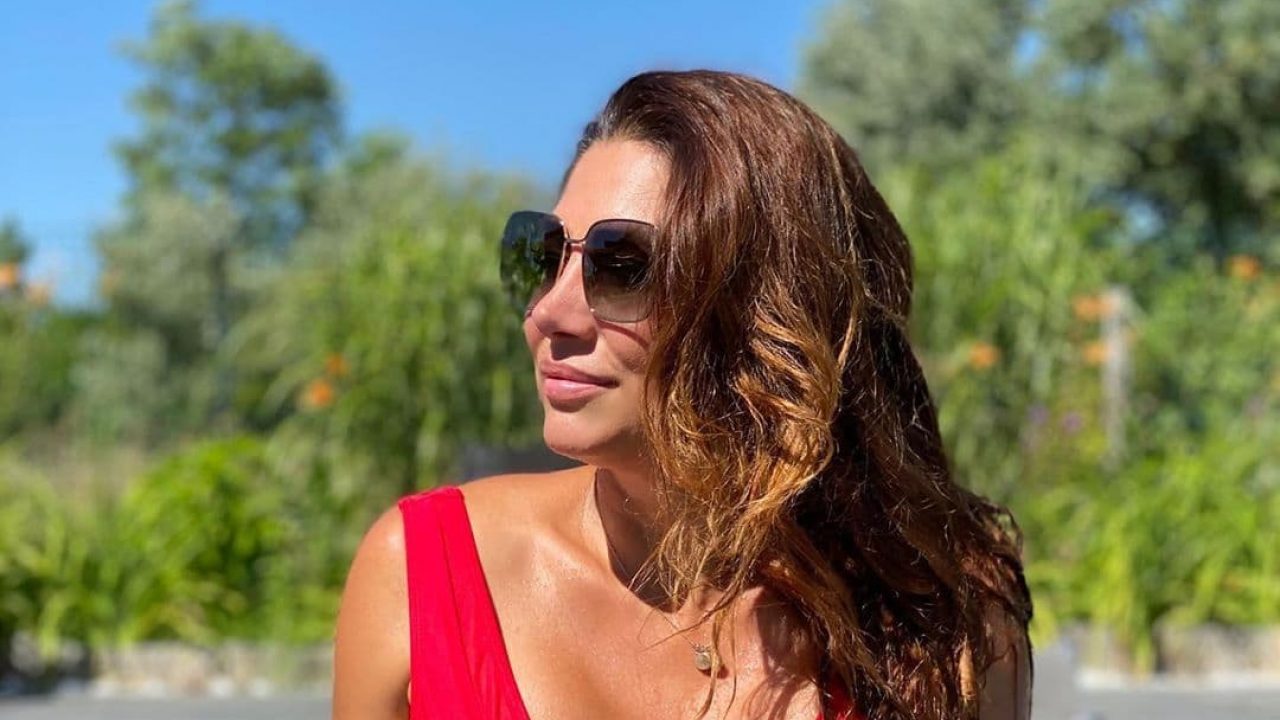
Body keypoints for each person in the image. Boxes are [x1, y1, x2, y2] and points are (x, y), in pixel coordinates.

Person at [332, 69, 1033, 720]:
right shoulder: (424, 575)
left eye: (624, 266)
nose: (549, 312)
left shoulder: (940, 625)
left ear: (771, 311)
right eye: (542, 256)